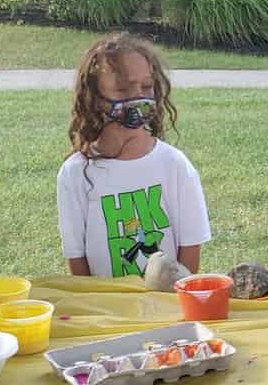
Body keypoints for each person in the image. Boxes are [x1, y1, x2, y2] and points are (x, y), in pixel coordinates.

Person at [58, 34, 211, 278]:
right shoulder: (75, 172)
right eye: (122, 89)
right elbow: (76, 257)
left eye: (146, 86)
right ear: (94, 98)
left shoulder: (174, 165)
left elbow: (190, 248)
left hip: (166, 306)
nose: (138, 97)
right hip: (109, 311)